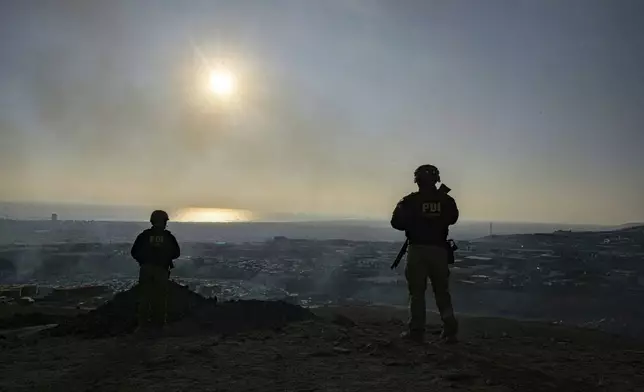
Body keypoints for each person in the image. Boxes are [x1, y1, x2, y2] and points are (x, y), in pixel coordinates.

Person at [390, 164, 459, 343]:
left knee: (417, 292)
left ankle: (417, 331)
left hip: (418, 250)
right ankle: (450, 329)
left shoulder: (409, 201)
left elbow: (396, 222)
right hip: (438, 250)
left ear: (417, 181)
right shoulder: (446, 200)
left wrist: (416, 219)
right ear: (436, 180)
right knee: (442, 292)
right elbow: (453, 218)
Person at [130, 210, 180, 333]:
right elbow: (176, 253)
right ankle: (159, 326)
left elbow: (134, 252)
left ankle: (142, 326)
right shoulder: (168, 237)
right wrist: (164, 258)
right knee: (161, 298)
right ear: (164, 221)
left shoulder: (144, 236)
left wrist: (144, 261)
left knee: (145, 297)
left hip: (146, 270)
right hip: (161, 270)